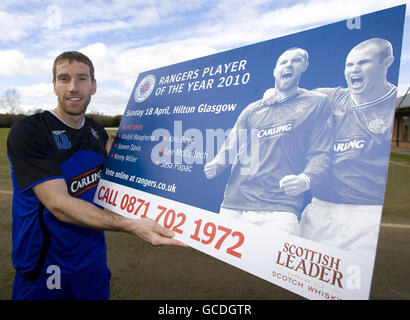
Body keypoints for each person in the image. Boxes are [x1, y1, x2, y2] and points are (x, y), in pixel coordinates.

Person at [7, 51, 185, 300]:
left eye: (82, 78)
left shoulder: (96, 132)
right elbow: (59, 205)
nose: (73, 87)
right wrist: (131, 225)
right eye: (64, 78)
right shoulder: (31, 130)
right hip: (45, 272)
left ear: (94, 86)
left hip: (93, 267)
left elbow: (111, 185)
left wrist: (120, 160)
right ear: (54, 85)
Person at [204, 47, 333, 235]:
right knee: (222, 263)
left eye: (295, 61)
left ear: (305, 66)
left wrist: (305, 179)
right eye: (283, 62)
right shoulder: (252, 109)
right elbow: (231, 144)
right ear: (275, 71)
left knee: (272, 262)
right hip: (234, 204)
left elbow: (321, 152)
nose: (288, 65)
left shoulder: (317, 103)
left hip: (279, 208)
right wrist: (218, 163)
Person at [299, 38, 397, 255]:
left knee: (352, 283)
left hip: (367, 216)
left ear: (387, 62)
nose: (354, 69)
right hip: (319, 210)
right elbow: (293, 98)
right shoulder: (331, 97)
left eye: (363, 63)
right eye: (349, 64)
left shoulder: (393, 105)